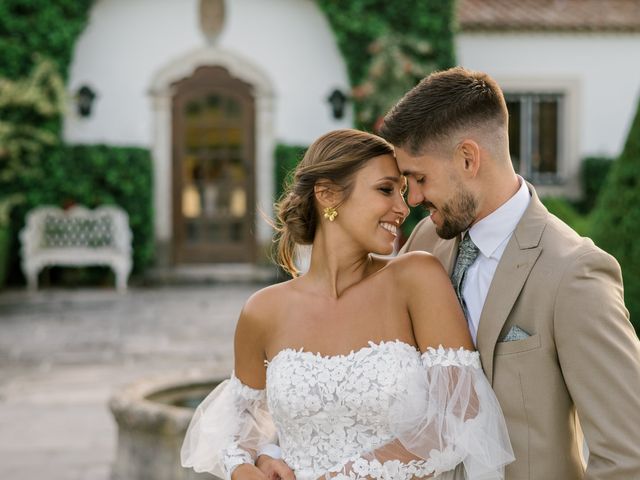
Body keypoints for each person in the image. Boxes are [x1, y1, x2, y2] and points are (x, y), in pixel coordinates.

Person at [181, 129, 514, 480]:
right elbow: (240, 423)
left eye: (403, 192)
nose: (403, 208)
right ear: (327, 195)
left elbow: (460, 416)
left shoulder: (416, 278)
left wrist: (345, 476)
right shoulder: (262, 310)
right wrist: (253, 462)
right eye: (386, 189)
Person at [377, 67, 640, 479]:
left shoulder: (575, 273)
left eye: (419, 178)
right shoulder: (427, 241)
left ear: (468, 158)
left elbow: (628, 455)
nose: (413, 198)